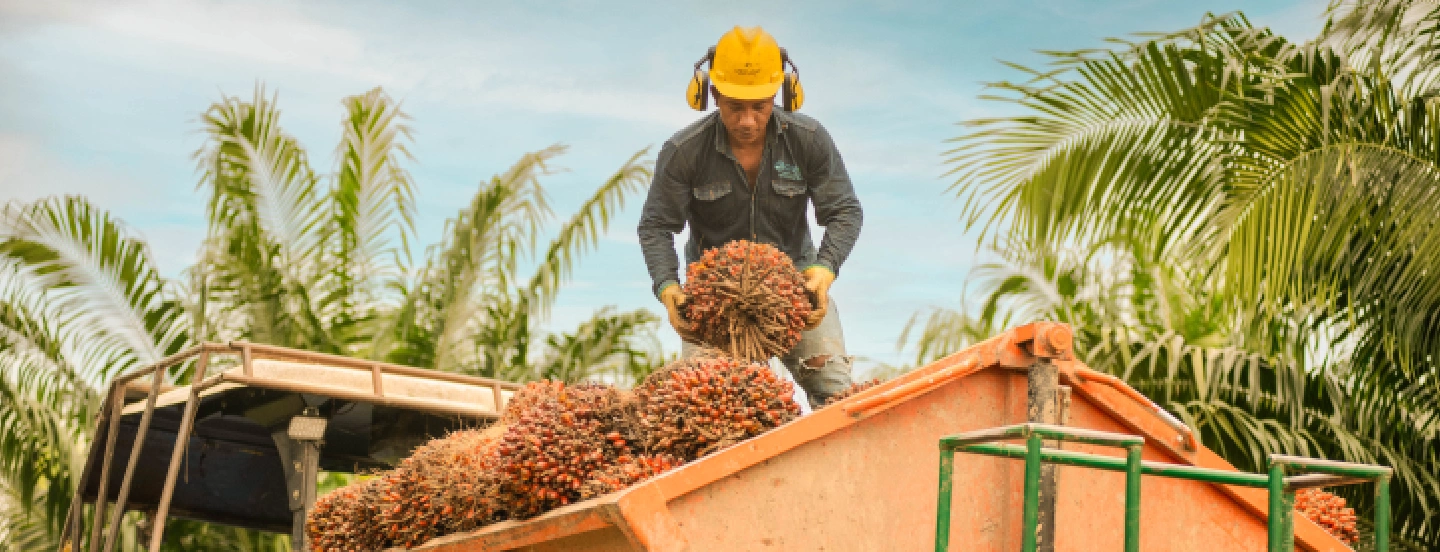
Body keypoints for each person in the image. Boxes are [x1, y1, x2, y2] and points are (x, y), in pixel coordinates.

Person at [636, 26, 863, 407]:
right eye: (734, 106)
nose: (746, 121)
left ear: (779, 93)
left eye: (759, 106)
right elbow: (656, 226)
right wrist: (668, 287)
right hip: (714, 299)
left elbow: (845, 211)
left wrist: (824, 271)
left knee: (835, 393)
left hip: (795, 287)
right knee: (712, 405)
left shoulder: (808, 140)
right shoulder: (684, 151)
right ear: (713, 95)